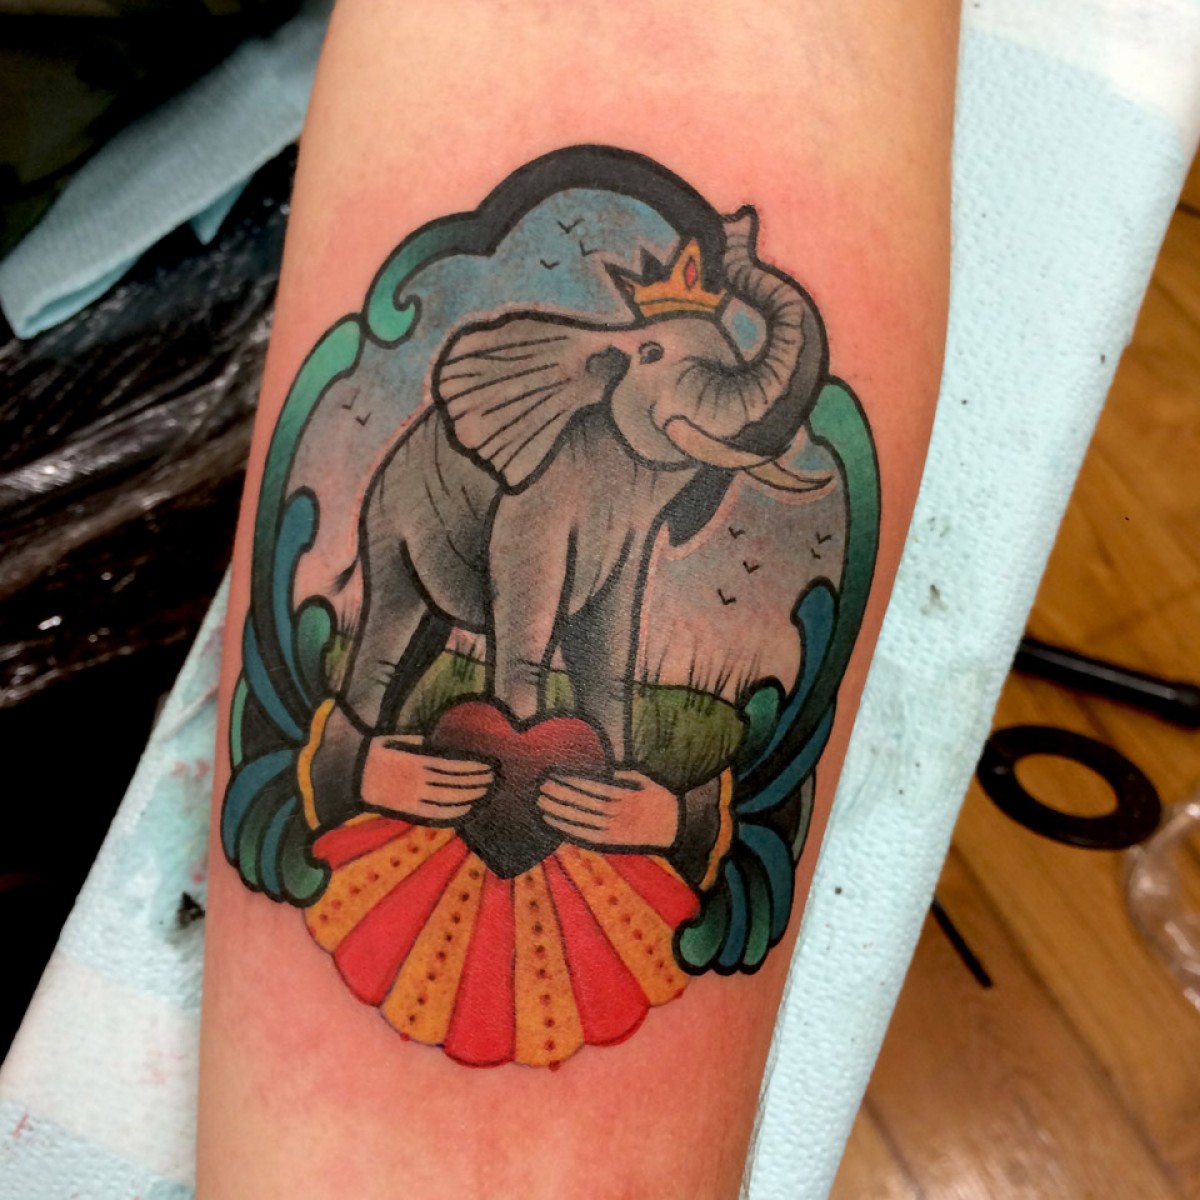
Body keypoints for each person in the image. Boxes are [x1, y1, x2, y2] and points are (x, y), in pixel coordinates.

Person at [197, 3, 960, 1195]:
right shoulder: (557, 448)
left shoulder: (647, 478)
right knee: (389, 647)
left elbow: (603, 627)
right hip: (427, 527)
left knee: (596, 650)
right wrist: (441, 753)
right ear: (605, 373)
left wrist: (600, 767)